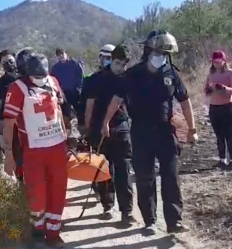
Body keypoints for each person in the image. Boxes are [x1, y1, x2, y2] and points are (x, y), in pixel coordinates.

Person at [102, 30, 198, 235]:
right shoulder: (133, 74)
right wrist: (105, 123)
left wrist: (192, 129)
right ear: (149, 51)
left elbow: (185, 101)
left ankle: (174, 221)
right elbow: (117, 100)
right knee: (145, 178)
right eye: (158, 52)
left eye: (164, 53)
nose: (161, 57)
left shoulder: (172, 74)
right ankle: (150, 221)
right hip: (141, 133)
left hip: (166, 132)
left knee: (171, 177)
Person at [2, 51, 68, 248]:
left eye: (43, 76)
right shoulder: (17, 88)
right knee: (36, 193)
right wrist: (8, 156)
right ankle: (38, 230)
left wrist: (68, 132)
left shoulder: (54, 82)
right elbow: (8, 123)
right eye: (36, 77)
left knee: (58, 191)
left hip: (57, 147)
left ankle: (54, 233)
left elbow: (59, 109)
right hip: (33, 150)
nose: (41, 80)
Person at [84, 44, 135, 226]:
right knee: (104, 171)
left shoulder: (128, 79)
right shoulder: (96, 79)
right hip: (99, 129)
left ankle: (127, 212)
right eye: (118, 62)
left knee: (123, 170)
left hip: (121, 127)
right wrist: (88, 130)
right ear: (111, 60)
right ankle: (108, 205)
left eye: (124, 63)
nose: (121, 66)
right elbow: (89, 105)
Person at [0, 49, 24, 181]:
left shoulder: (27, 77)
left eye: (10, 61)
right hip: (9, 124)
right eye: (5, 63)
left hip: (30, 122)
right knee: (15, 155)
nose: (8, 64)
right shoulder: (0, 83)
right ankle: (22, 186)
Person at [204, 50, 232, 171]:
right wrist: (209, 90)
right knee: (219, 136)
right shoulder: (211, 73)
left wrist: (223, 88)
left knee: (229, 134)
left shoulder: (230, 73)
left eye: (219, 61)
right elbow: (206, 89)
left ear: (224, 61)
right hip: (214, 107)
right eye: (214, 62)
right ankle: (222, 160)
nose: (217, 64)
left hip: (227, 107)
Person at [78, 44, 115, 131]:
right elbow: (84, 104)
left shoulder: (121, 79)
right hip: (97, 123)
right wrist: (83, 124)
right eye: (107, 58)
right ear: (100, 58)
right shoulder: (91, 80)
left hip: (116, 124)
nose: (109, 61)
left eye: (111, 58)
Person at [51, 48, 84, 113]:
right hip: (62, 93)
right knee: (65, 112)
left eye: (62, 53)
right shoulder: (55, 68)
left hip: (74, 92)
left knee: (79, 110)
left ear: (66, 54)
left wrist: (78, 87)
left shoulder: (74, 64)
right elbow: (53, 80)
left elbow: (80, 76)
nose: (61, 56)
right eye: (59, 54)